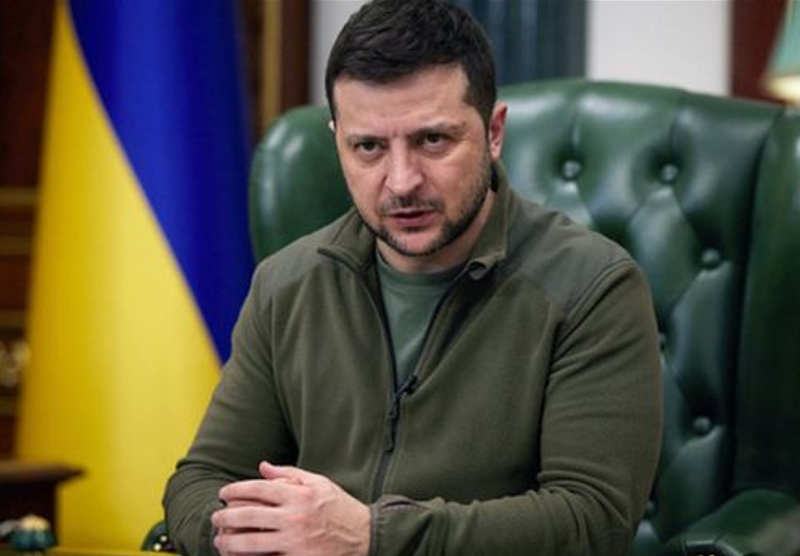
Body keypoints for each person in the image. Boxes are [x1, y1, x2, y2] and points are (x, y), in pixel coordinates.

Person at [163, 0, 662, 555]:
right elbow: (199, 482)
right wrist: (250, 535)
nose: (401, 182)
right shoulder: (286, 284)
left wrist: (370, 537)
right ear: (338, 141)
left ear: (494, 132)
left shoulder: (594, 287)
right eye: (369, 147)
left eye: (433, 141)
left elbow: (591, 521)